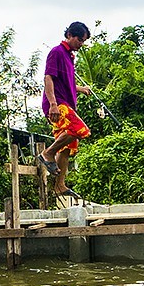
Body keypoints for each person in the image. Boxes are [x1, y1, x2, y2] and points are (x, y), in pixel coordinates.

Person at [37, 22, 93, 198]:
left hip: (66, 103)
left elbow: (65, 83)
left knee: (68, 146)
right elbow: (48, 78)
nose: (81, 44)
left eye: (83, 41)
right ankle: (48, 153)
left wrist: (80, 89)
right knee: (79, 129)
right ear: (69, 34)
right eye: (79, 39)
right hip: (57, 103)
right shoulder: (57, 52)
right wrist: (52, 104)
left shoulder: (69, 57)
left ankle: (59, 186)